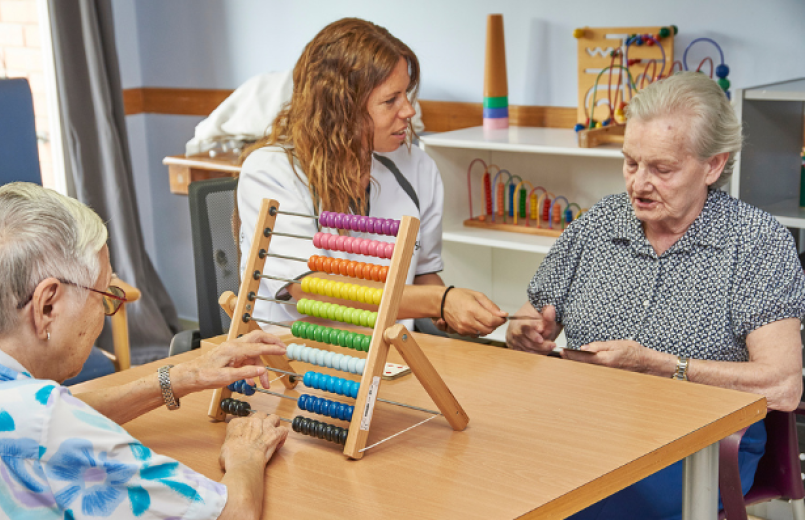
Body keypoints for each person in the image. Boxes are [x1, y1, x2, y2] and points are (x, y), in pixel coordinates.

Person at [507, 72, 805, 520]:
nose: (638, 185)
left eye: (661, 169)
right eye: (630, 163)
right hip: (584, 426)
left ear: (713, 165)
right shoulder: (599, 223)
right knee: (487, 473)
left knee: (559, 502)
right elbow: (528, 320)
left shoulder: (756, 242)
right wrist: (526, 333)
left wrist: (662, 366)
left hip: (700, 444)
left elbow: (783, 385)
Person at [0, 182, 289, 520]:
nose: (104, 312)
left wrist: (179, 378)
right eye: (104, 294)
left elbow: (28, 425)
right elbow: (230, 514)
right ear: (47, 306)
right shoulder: (49, 423)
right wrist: (246, 456)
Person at [237, 17, 507, 337]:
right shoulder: (270, 173)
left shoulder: (418, 167)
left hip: (389, 358)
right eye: (390, 100)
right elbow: (309, 289)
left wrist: (456, 312)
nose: (408, 110)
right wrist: (438, 300)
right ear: (342, 109)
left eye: (406, 94)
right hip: (293, 367)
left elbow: (423, 274)